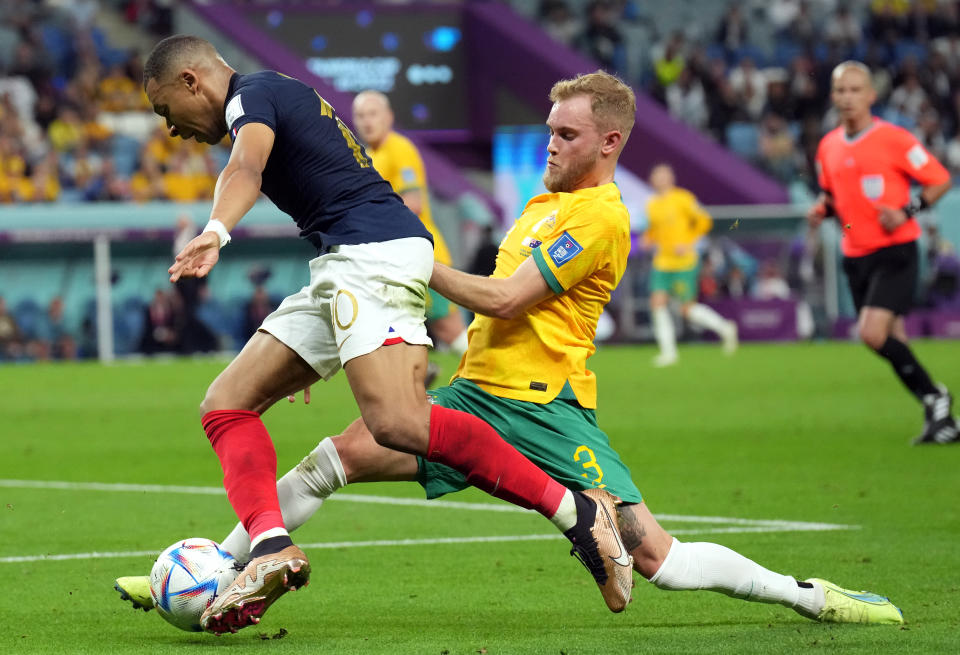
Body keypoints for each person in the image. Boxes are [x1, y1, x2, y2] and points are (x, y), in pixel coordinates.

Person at [118, 70, 903, 629]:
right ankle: (214, 570)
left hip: (546, 409)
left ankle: (807, 594)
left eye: (567, 134)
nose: (551, 145)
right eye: (549, 130)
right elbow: (477, 311)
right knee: (331, 459)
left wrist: (400, 267)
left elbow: (501, 298)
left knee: (654, 560)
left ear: (610, 141)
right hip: (474, 389)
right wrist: (370, 333)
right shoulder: (540, 203)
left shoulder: (599, 217)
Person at [140, 36, 629, 633]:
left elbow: (246, 166)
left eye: (166, 111)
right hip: (343, 261)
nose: (171, 129)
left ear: (193, 81)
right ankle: (269, 546)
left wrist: (216, 231)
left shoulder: (254, 95)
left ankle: (576, 512)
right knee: (225, 405)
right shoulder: (269, 98)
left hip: (373, 255)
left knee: (396, 423)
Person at [807, 60, 959, 445]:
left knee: (871, 334)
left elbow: (940, 179)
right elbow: (831, 195)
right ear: (832, 95)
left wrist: (908, 210)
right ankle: (939, 417)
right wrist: (821, 209)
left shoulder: (894, 139)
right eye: (841, 90)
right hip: (854, 253)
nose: (848, 97)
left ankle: (936, 395)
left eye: (856, 90)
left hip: (896, 250)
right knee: (894, 339)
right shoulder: (828, 146)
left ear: (871, 95)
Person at [351, 90, 469, 366]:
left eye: (373, 114)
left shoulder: (399, 148)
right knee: (394, 329)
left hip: (421, 255)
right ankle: (418, 377)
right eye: (360, 115)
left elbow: (413, 203)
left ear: (389, 117)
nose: (367, 121)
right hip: (395, 259)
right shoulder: (369, 155)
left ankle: (496, 379)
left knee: (448, 330)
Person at [644, 163, 738, 367]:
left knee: (686, 309)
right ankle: (668, 353)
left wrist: (688, 243)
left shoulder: (683, 198)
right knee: (657, 303)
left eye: (662, 175)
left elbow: (704, 220)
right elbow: (654, 230)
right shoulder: (652, 204)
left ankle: (724, 328)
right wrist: (647, 239)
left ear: (670, 178)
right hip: (662, 262)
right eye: (655, 175)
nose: (658, 179)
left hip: (684, 262)